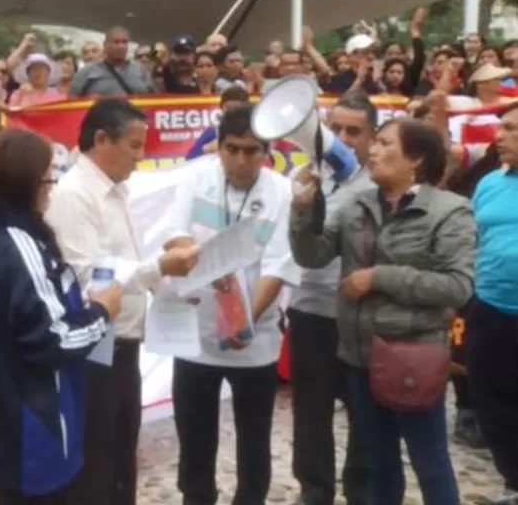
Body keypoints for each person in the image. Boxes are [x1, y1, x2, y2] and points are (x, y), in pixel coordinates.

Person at [289, 118, 474, 505]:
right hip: (359, 358)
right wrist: (302, 210)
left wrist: (379, 278)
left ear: (416, 159)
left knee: (430, 463)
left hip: (413, 358)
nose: (371, 150)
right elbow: (312, 254)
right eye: (372, 143)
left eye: (384, 143)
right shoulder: (357, 204)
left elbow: (456, 286)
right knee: (378, 463)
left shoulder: (449, 210)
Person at [0, 129, 123, 504]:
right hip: (28, 417)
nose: (52, 189)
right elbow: (52, 340)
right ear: (25, 183)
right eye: (48, 179)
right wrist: (102, 312)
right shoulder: (18, 243)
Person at [45, 98, 201, 505]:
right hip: (98, 347)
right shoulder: (74, 194)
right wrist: (159, 266)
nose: (140, 156)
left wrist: (165, 278)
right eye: (133, 146)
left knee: (119, 456)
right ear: (101, 139)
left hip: (124, 341)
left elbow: (126, 262)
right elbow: (90, 276)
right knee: (97, 458)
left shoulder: (115, 190)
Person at [164, 104, 300, 505]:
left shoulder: (282, 192)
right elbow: (175, 233)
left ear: (267, 151)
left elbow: (278, 264)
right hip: (197, 336)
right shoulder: (194, 179)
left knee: (254, 440)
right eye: (233, 149)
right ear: (218, 148)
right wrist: (198, 260)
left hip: (253, 339)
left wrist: (244, 320)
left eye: (252, 150)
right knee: (194, 439)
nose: (241, 160)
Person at [287, 93, 376, 505]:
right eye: (335, 129)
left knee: (365, 413)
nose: (342, 138)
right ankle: (315, 490)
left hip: (358, 314)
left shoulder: (378, 182)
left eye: (353, 131)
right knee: (310, 410)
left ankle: (361, 489)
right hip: (310, 310)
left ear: (372, 137)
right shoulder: (310, 174)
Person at [467, 102, 518, 505]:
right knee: (489, 398)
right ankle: (514, 480)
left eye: (511, 129)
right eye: (500, 127)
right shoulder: (489, 183)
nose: (499, 136)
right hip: (489, 307)